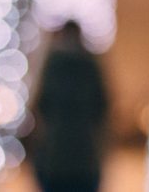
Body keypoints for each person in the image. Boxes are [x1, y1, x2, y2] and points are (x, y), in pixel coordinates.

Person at [29, 20, 108, 192]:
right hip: (84, 155)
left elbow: (41, 104)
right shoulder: (90, 64)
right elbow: (102, 105)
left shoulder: (52, 64)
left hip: (54, 156)